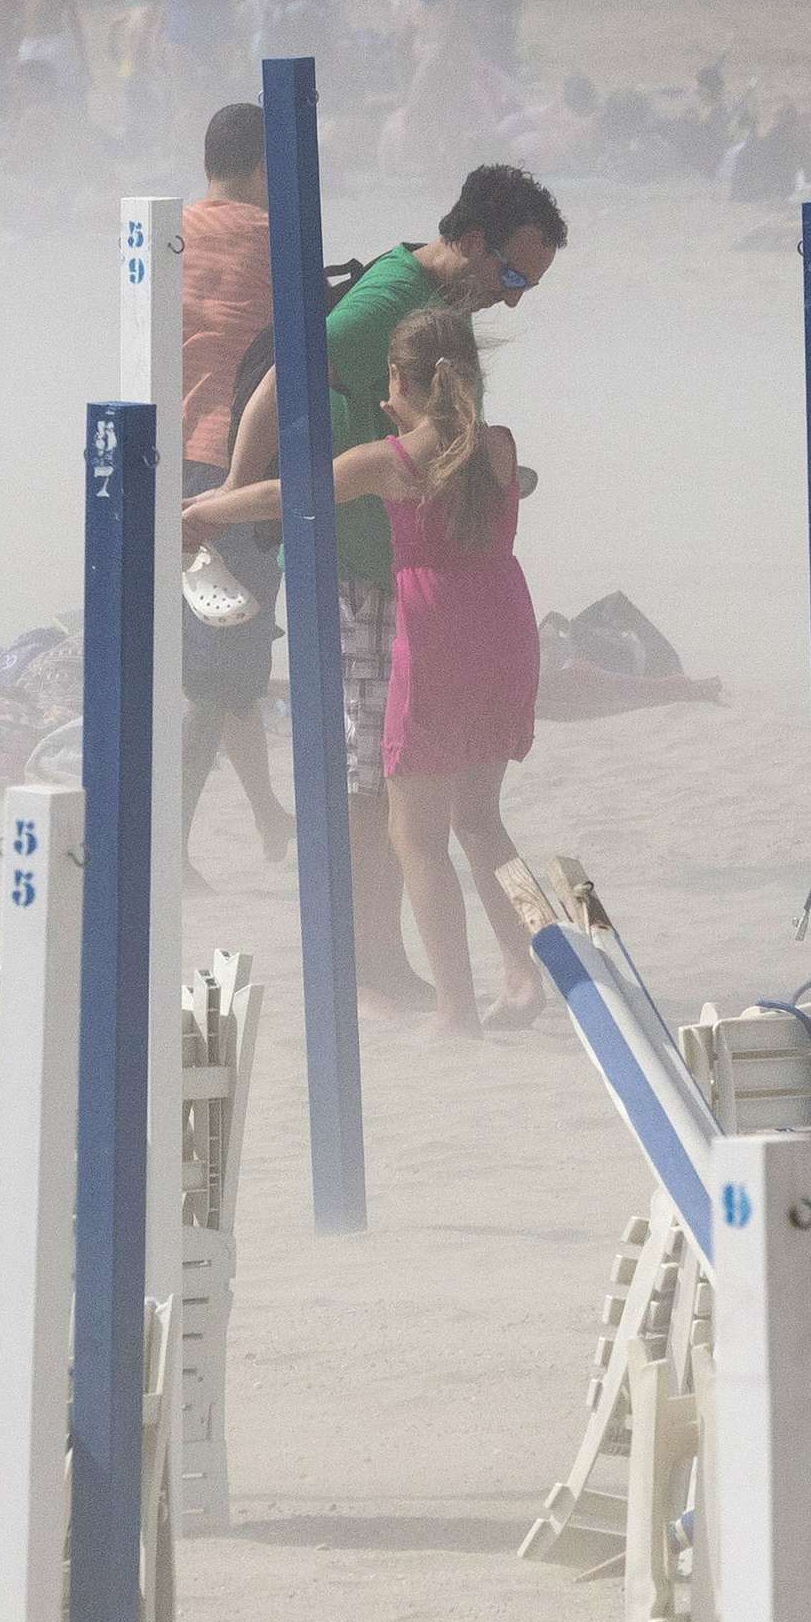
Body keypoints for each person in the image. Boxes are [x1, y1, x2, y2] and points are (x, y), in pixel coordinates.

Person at [220, 164, 569, 1010]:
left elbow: (293, 490)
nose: (514, 300)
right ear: (476, 241)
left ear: (397, 390)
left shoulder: (392, 444)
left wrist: (221, 512)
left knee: (402, 816)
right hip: (491, 617)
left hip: (414, 606)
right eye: (513, 276)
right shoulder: (390, 307)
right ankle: (538, 965)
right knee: (479, 819)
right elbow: (279, 389)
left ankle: (441, 996)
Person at [174, 103, 294, 871]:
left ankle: (269, 817)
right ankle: (173, 849)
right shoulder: (275, 240)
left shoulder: (167, 231)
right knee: (215, 677)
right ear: (262, 168)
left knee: (233, 663)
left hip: (171, 460)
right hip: (239, 470)